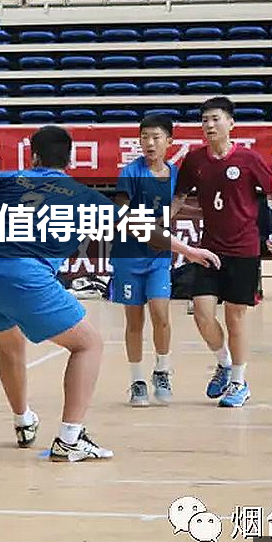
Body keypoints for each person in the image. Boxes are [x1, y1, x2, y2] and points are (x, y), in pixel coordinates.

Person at [0, 126, 220, 459]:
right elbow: (140, 227)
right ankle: (70, 438)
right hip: (23, 274)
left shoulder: (7, 178)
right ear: (69, 160)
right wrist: (188, 250)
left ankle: (23, 420)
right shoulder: (82, 195)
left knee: (9, 342)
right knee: (88, 344)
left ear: (33, 157)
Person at [172, 96, 272, 409]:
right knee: (201, 313)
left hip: (243, 249)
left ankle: (239, 382)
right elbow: (179, 196)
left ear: (231, 123)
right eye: (205, 120)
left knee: (235, 319)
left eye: (216, 119)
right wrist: (160, 226)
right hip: (209, 249)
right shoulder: (194, 160)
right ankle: (224, 363)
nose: (209, 125)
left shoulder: (249, 159)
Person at [111, 114, 178, 407]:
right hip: (129, 257)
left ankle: (162, 371)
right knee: (134, 321)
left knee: (161, 315)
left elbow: (178, 202)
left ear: (169, 141)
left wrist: (164, 223)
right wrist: (146, 228)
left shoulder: (175, 173)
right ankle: (137, 380)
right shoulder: (131, 172)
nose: (149, 143)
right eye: (144, 137)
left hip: (159, 257)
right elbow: (121, 211)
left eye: (156, 137)